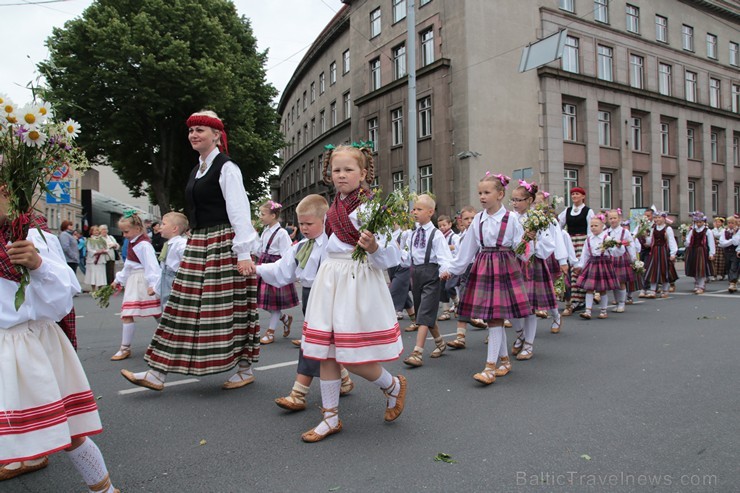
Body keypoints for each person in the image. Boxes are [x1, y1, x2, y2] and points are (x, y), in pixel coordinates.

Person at [121, 110, 260, 391]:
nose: (194, 135)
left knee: (229, 308)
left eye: (201, 130)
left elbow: (238, 210)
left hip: (223, 243)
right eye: (191, 130)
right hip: (199, 243)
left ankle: (244, 369)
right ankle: (156, 372)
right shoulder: (197, 169)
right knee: (181, 307)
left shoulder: (227, 167)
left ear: (216, 135)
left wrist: (243, 252)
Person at [0, 190, 119, 492]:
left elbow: (62, 300)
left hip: (28, 343)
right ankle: (19, 458)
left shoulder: (33, 236)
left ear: (8, 193)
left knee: (69, 429)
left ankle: (104, 490)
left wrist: (38, 265)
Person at [299, 144, 407, 442]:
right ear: (329, 174)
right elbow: (325, 249)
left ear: (363, 173)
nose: (342, 175)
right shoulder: (333, 204)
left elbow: (390, 257)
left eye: (349, 170)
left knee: (352, 355)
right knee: (327, 352)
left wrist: (374, 247)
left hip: (355, 280)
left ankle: (392, 385)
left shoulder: (371, 206)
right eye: (337, 170)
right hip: (331, 279)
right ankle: (330, 418)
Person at [256, 195, 354, 411]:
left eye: (309, 224)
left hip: (330, 295)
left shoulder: (333, 243)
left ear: (325, 220)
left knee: (312, 343)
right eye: (301, 224)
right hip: (311, 294)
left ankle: (299, 393)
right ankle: (347, 379)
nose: (304, 228)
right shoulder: (301, 245)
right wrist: (255, 269)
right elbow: (282, 269)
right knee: (326, 344)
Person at [441, 172, 530, 385]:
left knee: (496, 317)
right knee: (493, 317)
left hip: (504, 266)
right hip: (483, 267)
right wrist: (452, 269)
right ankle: (505, 361)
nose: (482, 196)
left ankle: (490, 367)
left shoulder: (512, 219)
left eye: (487, 192)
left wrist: (528, 243)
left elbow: (522, 250)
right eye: (480, 192)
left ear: (500, 194)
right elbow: (467, 250)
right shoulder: (478, 219)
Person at [508, 181, 557, 363]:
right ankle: (520, 334)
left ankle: (528, 343)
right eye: (512, 200)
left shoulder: (538, 219)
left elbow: (548, 246)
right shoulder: (511, 218)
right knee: (509, 307)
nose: (514, 203)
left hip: (531, 264)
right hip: (513, 263)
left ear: (529, 200)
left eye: (518, 200)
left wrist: (534, 241)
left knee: (529, 309)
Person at [401, 194, 452, 368]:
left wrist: (445, 270)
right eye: (414, 209)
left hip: (432, 274)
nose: (414, 212)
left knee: (423, 314)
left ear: (430, 212)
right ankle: (440, 343)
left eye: (419, 209)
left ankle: (417, 352)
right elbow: (406, 257)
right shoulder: (412, 234)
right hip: (415, 274)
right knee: (426, 313)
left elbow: (445, 256)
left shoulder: (436, 235)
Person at [110, 212, 162, 361]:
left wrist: (154, 285)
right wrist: (118, 280)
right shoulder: (135, 243)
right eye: (123, 232)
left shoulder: (144, 245)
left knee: (156, 313)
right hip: (135, 280)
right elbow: (129, 266)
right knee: (131, 313)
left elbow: (152, 266)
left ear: (138, 229)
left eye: (126, 231)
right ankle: (125, 347)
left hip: (142, 280)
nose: (124, 235)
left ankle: (170, 338)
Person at [256, 200, 299, 344]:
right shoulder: (265, 231)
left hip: (275, 267)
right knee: (264, 302)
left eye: (263, 214)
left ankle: (271, 332)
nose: (260, 217)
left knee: (274, 303)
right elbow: (260, 250)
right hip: (264, 266)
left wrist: (286, 271)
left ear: (273, 215)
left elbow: (287, 254)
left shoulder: (281, 233)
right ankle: (285, 319)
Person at [445, 205, 487, 350]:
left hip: (481, 268)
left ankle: (491, 330)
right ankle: (460, 337)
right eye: (466, 219)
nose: (469, 221)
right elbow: (459, 257)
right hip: (466, 270)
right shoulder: (461, 238)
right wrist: (450, 269)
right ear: (461, 221)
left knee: (485, 301)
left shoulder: (481, 234)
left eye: (473, 218)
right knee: (463, 302)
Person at [573, 215, 621, 320]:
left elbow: (616, 252)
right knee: (589, 289)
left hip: (603, 264)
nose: (593, 227)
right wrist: (580, 266)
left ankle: (603, 311)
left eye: (596, 225)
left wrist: (618, 246)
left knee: (602, 289)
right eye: (591, 226)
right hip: (592, 263)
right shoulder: (589, 239)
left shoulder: (607, 238)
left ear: (602, 226)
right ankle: (588, 311)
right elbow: (585, 254)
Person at [558, 187, 594, 315]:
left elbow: (591, 229)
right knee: (567, 270)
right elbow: (558, 226)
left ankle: (579, 300)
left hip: (582, 242)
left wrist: (589, 245)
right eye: (572, 194)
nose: (574, 196)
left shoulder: (588, 211)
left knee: (578, 270)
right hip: (569, 242)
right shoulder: (567, 211)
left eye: (577, 194)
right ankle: (570, 299)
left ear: (583, 196)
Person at [155, 212, 189, 310]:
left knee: (172, 309)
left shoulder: (181, 244)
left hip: (174, 280)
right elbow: (162, 269)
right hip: (166, 279)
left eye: (164, 224)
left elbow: (185, 260)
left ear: (175, 228)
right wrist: (156, 288)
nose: (160, 227)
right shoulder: (169, 244)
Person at [606, 210, 636, 313]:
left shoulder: (625, 232)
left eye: (615, 218)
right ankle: (617, 301)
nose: (613, 220)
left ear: (619, 219)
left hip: (621, 258)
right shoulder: (607, 232)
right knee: (614, 282)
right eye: (611, 218)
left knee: (621, 281)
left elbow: (631, 245)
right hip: (610, 258)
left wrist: (633, 258)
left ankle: (622, 303)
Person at [643, 212, 678, 299]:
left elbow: (671, 241)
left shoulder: (668, 229)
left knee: (664, 270)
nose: (657, 219)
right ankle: (652, 290)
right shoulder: (653, 228)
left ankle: (665, 290)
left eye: (659, 217)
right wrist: (646, 239)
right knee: (653, 270)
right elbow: (651, 240)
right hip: (654, 251)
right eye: (656, 218)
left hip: (663, 251)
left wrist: (673, 253)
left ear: (664, 218)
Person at [388, 224, 416, 325]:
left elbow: (408, 252)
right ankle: (415, 320)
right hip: (392, 267)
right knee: (403, 296)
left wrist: (398, 247)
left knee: (392, 295)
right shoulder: (386, 234)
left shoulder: (405, 234)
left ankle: (386, 327)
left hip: (403, 267)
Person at [684, 211, 715, 295]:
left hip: (702, 251)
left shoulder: (707, 231)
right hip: (693, 250)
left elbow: (711, 243)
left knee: (701, 268)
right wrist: (686, 240)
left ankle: (701, 285)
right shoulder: (692, 231)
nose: (698, 224)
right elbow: (688, 241)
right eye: (697, 222)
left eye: (700, 222)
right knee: (694, 267)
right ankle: (697, 283)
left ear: (704, 222)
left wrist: (711, 253)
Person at [436, 214, 459, 321]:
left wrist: (446, 247)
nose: (442, 228)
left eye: (444, 225)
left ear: (450, 224)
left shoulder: (454, 237)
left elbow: (458, 247)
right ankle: (445, 311)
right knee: (442, 288)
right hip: (442, 266)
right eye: (440, 226)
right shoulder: (439, 237)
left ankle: (457, 302)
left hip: (453, 265)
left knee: (449, 286)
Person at [85, 225, 109, 292]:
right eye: (95, 230)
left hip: (101, 260)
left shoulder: (102, 240)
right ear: (91, 232)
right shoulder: (89, 240)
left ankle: (100, 289)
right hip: (93, 261)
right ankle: (93, 289)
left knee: (100, 274)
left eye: (97, 230)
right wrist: (96, 252)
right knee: (93, 274)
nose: (96, 232)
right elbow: (89, 250)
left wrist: (104, 251)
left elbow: (107, 248)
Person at [719, 215, 739, 292]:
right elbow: (722, 243)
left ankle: (732, 282)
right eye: (729, 223)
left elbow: (736, 242)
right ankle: (732, 282)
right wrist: (730, 241)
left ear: (736, 224)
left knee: (734, 267)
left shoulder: (738, 231)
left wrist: (733, 237)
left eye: (732, 223)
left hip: (735, 252)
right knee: (728, 266)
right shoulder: (724, 231)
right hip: (727, 252)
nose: (730, 224)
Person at [710, 217, 726, 281]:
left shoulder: (724, 230)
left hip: (721, 246)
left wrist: (718, 240)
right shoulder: (712, 230)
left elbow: (721, 236)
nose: (717, 223)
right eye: (716, 222)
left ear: (722, 223)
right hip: (714, 246)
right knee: (714, 261)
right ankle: (714, 274)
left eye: (719, 222)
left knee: (721, 260)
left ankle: (721, 274)